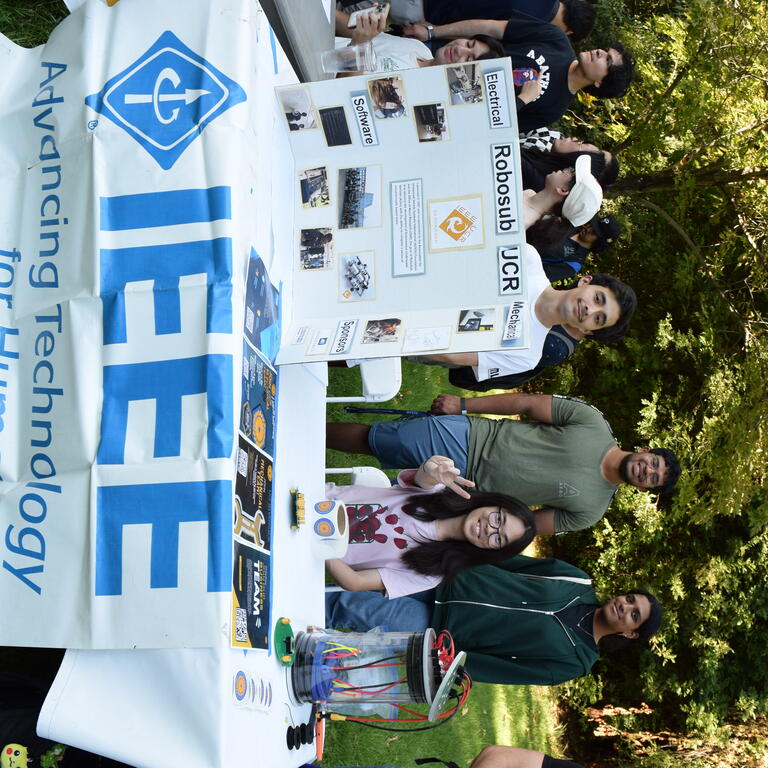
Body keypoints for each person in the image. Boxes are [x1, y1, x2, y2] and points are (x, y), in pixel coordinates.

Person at [326, 393, 682, 534]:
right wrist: (464, 405)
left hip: (469, 499)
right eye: (654, 463)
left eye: (653, 478)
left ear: (644, 488)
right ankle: (304, 430)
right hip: (469, 438)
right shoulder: (592, 422)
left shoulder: (591, 510)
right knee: (380, 441)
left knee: (389, 517)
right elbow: (527, 404)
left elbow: (526, 526)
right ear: (646, 450)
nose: (647, 470)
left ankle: (322, 511)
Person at [326, 554, 663, 685]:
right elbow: (510, 562)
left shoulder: (575, 662)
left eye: (634, 614)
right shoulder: (576, 580)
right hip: (443, 575)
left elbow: (505, 670)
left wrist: (451, 662)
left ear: (632, 634)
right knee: (353, 567)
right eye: (630, 599)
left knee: (350, 607)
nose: (624, 606)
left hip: (438, 626)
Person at [326, 456, 535, 597]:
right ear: (493, 503)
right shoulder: (437, 493)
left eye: (499, 539)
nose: (491, 529)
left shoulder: (431, 574)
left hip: (313, 547)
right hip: (314, 497)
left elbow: (355, 582)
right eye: (498, 519)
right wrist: (431, 468)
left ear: (493, 551)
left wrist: (321, 542)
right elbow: (427, 477)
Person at [403, 12, 635, 132]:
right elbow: (491, 27)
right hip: (427, 56)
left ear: (600, 83)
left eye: (607, 59)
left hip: (430, 102)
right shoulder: (556, 40)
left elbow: (493, 128)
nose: (599, 52)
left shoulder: (553, 111)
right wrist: (433, 32)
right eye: (605, 50)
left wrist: (522, 100)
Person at [334, 10, 505, 74]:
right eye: (469, 44)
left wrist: (359, 46)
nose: (460, 50)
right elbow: (352, 31)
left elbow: (345, 93)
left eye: (468, 59)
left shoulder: (415, 90)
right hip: (310, 47)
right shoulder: (419, 47)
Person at [341, 0, 597, 41]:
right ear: (569, 32)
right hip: (430, 8)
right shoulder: (534, 25)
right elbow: (479, 29)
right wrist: (434, 32)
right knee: (355, 22)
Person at [536, 213, 621, 282]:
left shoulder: (574, 262)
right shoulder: (572, 223)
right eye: (592, 226)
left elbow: (537, 275)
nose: (588, 229)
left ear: (599, 242)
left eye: (594, 232)